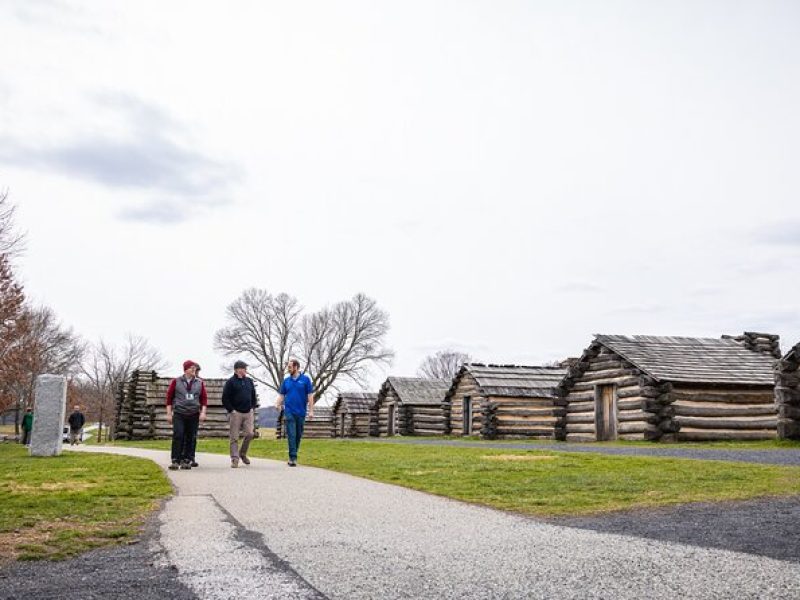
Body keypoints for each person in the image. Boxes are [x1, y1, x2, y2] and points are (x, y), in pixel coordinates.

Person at [166, 360, 207, 470]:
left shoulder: (199, 382)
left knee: (191, 437)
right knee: (178, 435)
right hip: (179, 413)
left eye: (195, 368)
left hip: (193, 413)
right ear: (186, 369)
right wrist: (169, 414)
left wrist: (203, 412)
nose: (194, 370)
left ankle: (186, 460)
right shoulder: (176, 381)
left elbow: (204, 399)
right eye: (191, 368)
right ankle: (175, 460)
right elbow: (169, 398)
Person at [275, 358, 314, 467]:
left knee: (298, 435)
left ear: (296, 367)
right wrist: (277, 404)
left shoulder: (306, 380)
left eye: (290, 367)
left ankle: (293, 454)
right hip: (289, 411)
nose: (288, 369)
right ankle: (293, 458)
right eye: (288, 367)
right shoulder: (286, 381)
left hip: (301, 412)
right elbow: (282, 395)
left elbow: (310, 396)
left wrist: (311, 410)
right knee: (291, 434)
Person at [221, 360, 257, 468]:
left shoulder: (249, 381)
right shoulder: (230, 382)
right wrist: (231, 410)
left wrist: (252, 408)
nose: (246, 370)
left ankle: (242, 454)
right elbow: (225, 398)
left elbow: (253, 396)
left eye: (246, 368)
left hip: (248, 412)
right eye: (244, 368)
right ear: (237, 369)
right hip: (236, 413)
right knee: (234, 437)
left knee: (250, 434)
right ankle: (235, 459)